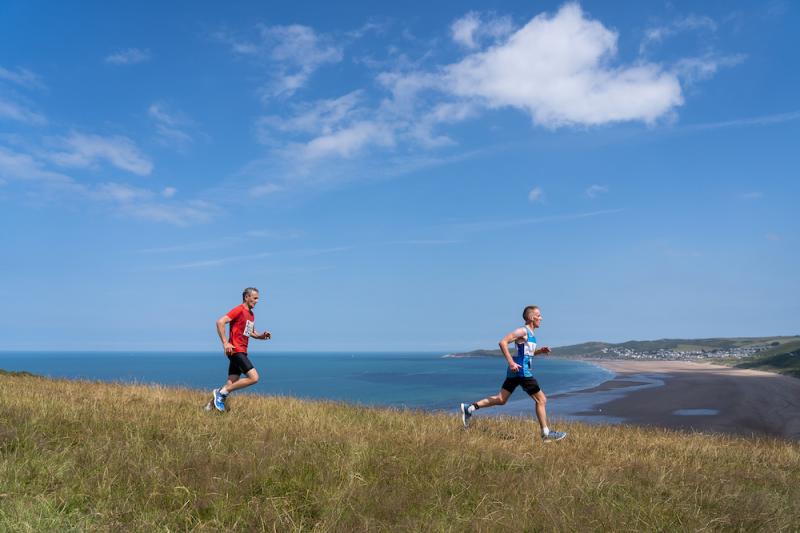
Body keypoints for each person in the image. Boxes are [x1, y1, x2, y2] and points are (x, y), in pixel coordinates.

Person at [459, 305, 567, 442]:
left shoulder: (531, 334)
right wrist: (511, 362)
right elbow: (503, 342)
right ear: (531, 317)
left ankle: (470, 408)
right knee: (542, 400)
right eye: (539, 315)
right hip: (522, 371)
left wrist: (540, 351)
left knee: (501, 399)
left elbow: (527, 352)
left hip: (516, 371)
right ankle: (546, 434)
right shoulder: (523, 330)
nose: (541, 318)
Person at [210, 287, 271, 412]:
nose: (257, 301)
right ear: (246, 297)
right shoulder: (239, 309)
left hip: (242, 350)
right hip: (235, 350)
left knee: (231, 383)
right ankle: (221, 393)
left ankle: (209, 407)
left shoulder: (251, 315)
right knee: (254, 378)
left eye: (258, 298)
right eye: (255, 298)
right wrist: (225, 343)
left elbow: (250, 332)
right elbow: (220, 322)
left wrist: (261, 336)